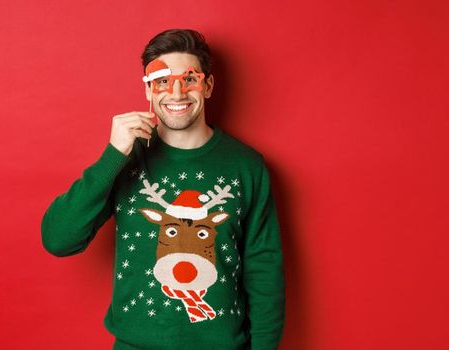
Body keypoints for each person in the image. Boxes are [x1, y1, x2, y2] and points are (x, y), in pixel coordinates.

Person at [41, 29, 285, 350]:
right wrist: (113, 156)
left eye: (190, 79)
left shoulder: (246, 166)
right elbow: (58, 240)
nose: (177, 92)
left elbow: (264, 268)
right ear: (149, 91)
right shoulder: (126, 158)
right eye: (163, 82)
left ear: (208, 86)